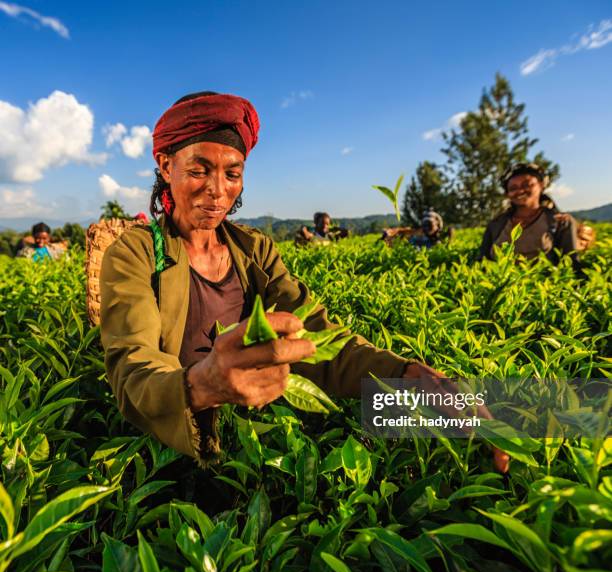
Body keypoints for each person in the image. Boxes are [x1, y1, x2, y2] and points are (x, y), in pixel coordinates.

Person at [99, 91, 509, 472]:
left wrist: (408, 375)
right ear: (166, 166)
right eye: (199, 170)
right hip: (174, 451)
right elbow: (133, 369)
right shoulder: (136, 254)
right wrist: (201, 383)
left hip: (259, 445)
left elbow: (316, 336)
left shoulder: (253, 250)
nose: (217, 191)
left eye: (232, 174)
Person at [479, 163, 580, 265]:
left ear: (541, 185)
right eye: (513, 188)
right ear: (507, 193)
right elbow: (482, 262)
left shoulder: (560, 221)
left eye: (527, 185)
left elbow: (571, 264)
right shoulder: (496, 224)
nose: (520, 191)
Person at [381, 209, 453, 248]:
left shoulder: (439, 240)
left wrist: (450, 238)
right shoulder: (418, 235)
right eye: (425, 225)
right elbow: (403, 231)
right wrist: (390, 233)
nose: (427, 228)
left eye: (430, 225)